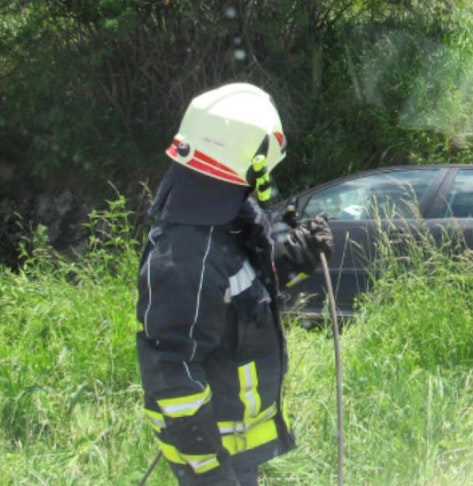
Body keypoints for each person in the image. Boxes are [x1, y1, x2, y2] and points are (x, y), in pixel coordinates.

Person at [136, 82, 333, 485]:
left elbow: (245, 287)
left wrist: (299, 254)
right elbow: (172, 378)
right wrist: (209, 473)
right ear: (249, 162)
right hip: (213, 461)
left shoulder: (225, 225)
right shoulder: (183, 256)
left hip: (234, 454)